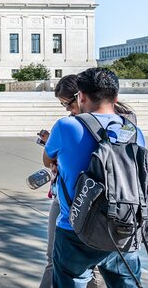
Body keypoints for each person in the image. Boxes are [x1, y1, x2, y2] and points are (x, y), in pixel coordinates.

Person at [43, 68, 145, 287]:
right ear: (116, 97)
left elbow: (47, 158)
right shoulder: (134, 131)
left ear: (81, 96)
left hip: (75, 227)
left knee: (71, 279)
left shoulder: (66, 126)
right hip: (122, 227)